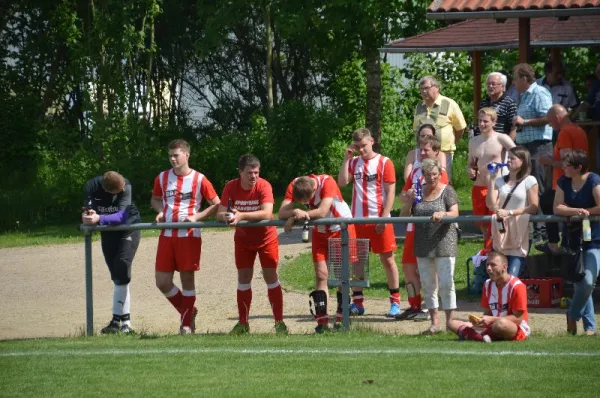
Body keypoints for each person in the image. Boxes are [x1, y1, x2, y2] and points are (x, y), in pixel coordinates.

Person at [151, 139, 220, 334]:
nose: (172, 159)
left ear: (187, 155)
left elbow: (216, 204)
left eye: (176, 155)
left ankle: (186, 324)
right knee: (162, 282)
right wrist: (160, 211)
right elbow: (155, 200)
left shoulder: (199, 179)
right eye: (170, 156)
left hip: (189, 236)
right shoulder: (162, 178)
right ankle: (189, 311)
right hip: (166, 235)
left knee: (187, 280)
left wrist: (196, 216)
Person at [217, 154, 286, 335]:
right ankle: (243, 323)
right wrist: (227, 216)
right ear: (240, 172)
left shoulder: (264, 186)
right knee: (244, 278)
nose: (253, 176)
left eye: (256, 172)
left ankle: (279, 323)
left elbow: (267, 213)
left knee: (271, 277)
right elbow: (219, 213)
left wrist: (241, 215)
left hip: (266, 239)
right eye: (249, 173)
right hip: (243, 240)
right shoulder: (231, 187)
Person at [279, 174, 355, 333]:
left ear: (314, 189)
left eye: (308, 200)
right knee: (321, 275)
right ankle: (322, 321)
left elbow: (321, 211)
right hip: (320, 232)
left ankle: (342, 318)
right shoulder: (295, 184)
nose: (307, 204)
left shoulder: (327, 182)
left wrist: (297, 216)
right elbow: (281, 212)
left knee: (342, 275)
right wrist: (296, 212)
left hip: (340, 229)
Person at [337, 128, 401, 318]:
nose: (361, 150)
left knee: (388, 260)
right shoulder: (354, 162)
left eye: (364, 145)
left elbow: (391, 193)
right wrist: (346, 158)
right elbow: (342, 182)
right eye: (357, 147)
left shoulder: (384, 162)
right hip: (357, 220)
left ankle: (395, 302)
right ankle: (358, 303)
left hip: (379, 218)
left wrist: (384, 216)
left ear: (372, 141)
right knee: (358, 261)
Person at [400, 158, 459, 335]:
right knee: (428, 284)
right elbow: (404, 217)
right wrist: (409, 201)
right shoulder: (418, 192)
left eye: (435, 174)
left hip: (444, 243)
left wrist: (444, 213)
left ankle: (451, 322)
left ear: (440, 174)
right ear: (423, 175)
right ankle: (434, 323)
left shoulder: (447, 191)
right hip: (423, 243)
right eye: (428, 174)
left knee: (446, 282)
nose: (432, 177)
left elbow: (455, 213)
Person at [396, 135, 449, 321]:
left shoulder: (439, 172)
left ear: (436, 152)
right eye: (420, 148)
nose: (422, 152)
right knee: (408, 266)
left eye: (426, 149)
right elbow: (402, 196)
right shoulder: (416, 171)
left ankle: (428, 307)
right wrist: (408, 195)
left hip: (429, 228)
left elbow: (442, 197)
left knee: (429, 269)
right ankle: (414, 305)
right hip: (413, 226)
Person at [81, 171, 141, 334]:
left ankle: (125, 322)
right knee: (117, 276)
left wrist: (99, 218)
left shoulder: (126, 186)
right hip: (108, 232)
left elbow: (121, 216)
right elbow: (88, 210)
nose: (122, 192)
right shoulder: (91, 186)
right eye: (117, 191)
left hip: (128, 229)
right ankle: (117, 323)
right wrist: (87, 215)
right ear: (107, 190)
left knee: (122, 266)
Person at [553, 150, 600, 336]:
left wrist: (586, 211)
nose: (563, 167)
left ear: (578, 167)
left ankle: (572, 314)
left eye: (567, 165)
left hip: (595, 239)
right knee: (580, 282)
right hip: (572, 239)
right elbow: (557, 207)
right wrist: (577, 211)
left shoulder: (593, 180)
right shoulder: (563, 182)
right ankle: (590, 328)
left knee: (588, 281)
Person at [537, 104, 588, 254]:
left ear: (557, 118)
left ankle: (553, 244)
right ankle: (568, 244)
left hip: (564, 182)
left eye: (550, 121)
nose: (549, 124)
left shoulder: (564, 133)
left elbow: (568, 161)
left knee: (547, 202)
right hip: (579, 182)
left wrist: (549, 161)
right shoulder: (579, 130)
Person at [511, 63, 553, 243]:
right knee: (526, 189)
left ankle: (545, 233)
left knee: (541, 189)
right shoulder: (523, 96)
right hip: (525, 148)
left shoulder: (539, 93)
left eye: (515, 78)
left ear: (524, 79)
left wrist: (525, 121)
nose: (513, 82)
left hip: (539, 147)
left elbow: (549, 117)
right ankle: (532, 232)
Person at [448, 251, 530, 342]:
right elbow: (488, 313)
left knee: (500, 324)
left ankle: (474, 336)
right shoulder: (487, 285)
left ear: (505, 267)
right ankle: (482, 336)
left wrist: (491, 320)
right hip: (492, 325)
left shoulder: (517, 286)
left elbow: (517, 319)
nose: (489, 268)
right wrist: (480, 321)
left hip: (515, 327)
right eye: (487, 265)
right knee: (451, 323)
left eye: (493, 265)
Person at [468, 107, 515, 253]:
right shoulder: (473, 141)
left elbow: (519, 156)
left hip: (495, 186)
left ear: (494, 122)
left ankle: (497, 251)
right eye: (480, 121)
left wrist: (510, 170)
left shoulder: (501, 138)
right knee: (483, 224)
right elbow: (470, 163)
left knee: (495, 221)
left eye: (485, 121)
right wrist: (469, 170)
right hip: (478, 186)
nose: (482, 124)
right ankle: (488, 252)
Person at [486, 146, 539, 276]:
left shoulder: (529, 180)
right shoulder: (500, 181)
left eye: (512, 158)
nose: (508, 161)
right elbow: (491, 205)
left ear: (523, 161)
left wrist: (510, 213)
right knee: (499, 274)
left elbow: (533, 207)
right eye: (507, 158)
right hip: (502, 231)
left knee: (512, 274)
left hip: (521, 231)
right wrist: (492, 180)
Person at [413, 76, 467, 182]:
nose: (424, 91)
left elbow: (460, 128)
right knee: (423, 180)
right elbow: (416, 129)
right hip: (423, 153)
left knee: (443, 181)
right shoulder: (419, 106)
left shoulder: (449, 103)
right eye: (421, 88)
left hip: (444, 152)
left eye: (427, 88)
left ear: (437, 88)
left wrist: (452, 142)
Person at [478, 72, 517, 141]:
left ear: (502, 86)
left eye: (493, 84)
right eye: (488, 84)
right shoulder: (483, 103)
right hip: (483, 143)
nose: (490, 86)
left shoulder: (509, 103)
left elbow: (514, 128)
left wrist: (507, 147)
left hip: (501, 144)